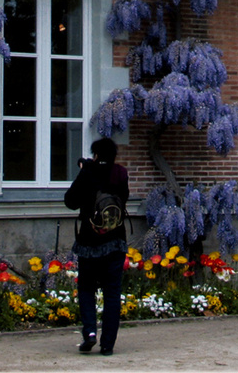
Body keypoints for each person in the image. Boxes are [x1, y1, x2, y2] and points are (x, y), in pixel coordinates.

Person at [63, 137, 129, 356]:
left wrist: (86, 170)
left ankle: (90, 332)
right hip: (116, 241)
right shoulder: (120, 173)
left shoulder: (88, 172)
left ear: (96, 154)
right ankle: (108, 344)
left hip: (90, 241)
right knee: (112, 293)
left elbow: (70, 201)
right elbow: (124, 199)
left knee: (86, 289)